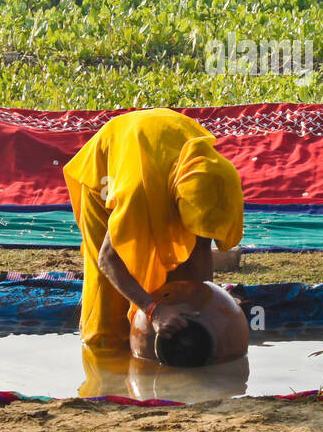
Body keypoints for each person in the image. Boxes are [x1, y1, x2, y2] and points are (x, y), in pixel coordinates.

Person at [63, 109, 244, 350]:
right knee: (110, 313)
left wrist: (205, 306)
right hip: (108, 175)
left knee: (179, 285)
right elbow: (108, 259)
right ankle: (106, 361)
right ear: (179, 203)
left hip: (157, 151)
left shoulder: (209, 176)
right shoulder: (137, 194)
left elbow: (199, 249)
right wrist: (154, 310)